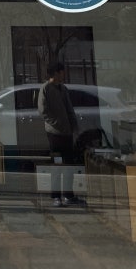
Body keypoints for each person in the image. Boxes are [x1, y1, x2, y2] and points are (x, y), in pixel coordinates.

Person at [38, 63, 82, 207]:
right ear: (56, 73)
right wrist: (56, 123)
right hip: (54, 133)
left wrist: (74, 127)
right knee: (57, 164)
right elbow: (43, 111)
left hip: (67, 132)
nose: (64, 75)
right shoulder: (46, 88)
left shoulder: (63, 89)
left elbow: (69, 109)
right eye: (62, 72)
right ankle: (56, 196)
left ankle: (68, 195)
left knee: (69, 164)